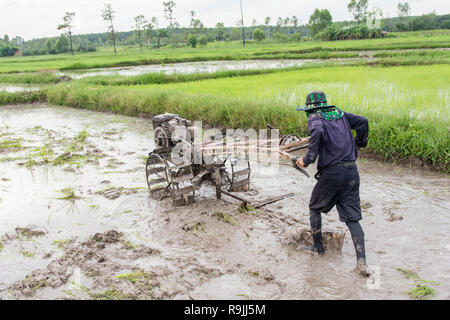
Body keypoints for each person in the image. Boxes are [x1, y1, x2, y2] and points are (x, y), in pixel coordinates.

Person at [295, 91, 370, 277]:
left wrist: (307, 160)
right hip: (351, 172)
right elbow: (363, 122)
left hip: (332, 173)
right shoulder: (340, 114)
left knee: (314, 207)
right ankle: (362, 262)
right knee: (353, 219)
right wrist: (359, 143)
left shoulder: (315, 117)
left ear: (310, 108)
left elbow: (319, 132)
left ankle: (318, 247)